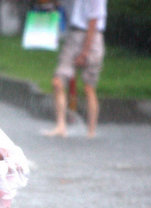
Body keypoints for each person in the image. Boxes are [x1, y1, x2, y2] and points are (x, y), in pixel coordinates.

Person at [45, 0, 108, 138]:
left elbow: (94, 20)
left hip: (93, 37)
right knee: (58, 81)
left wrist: (84, 52)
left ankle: (91, 130)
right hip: (74, 35)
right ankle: (61, 125)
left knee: (89, 88)